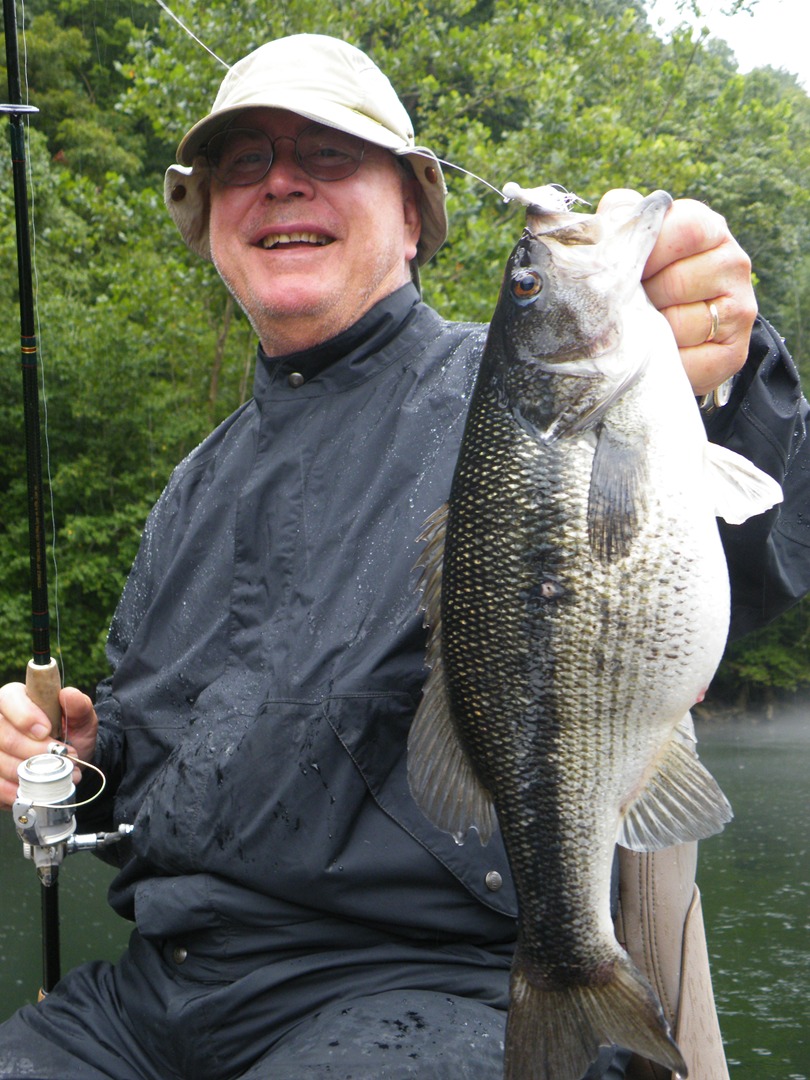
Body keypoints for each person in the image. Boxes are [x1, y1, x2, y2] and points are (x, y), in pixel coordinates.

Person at [0, 32, 808, 1080]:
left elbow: (761, 542)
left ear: (417, 216)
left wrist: (726, 373)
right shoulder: (191, 488)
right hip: (153, 1001)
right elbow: (160, 768)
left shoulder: (514, 390)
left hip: (424, 990)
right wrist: (78, 758)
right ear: (206, 229)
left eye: (329, 155)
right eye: (243, 163)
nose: (282, 183)